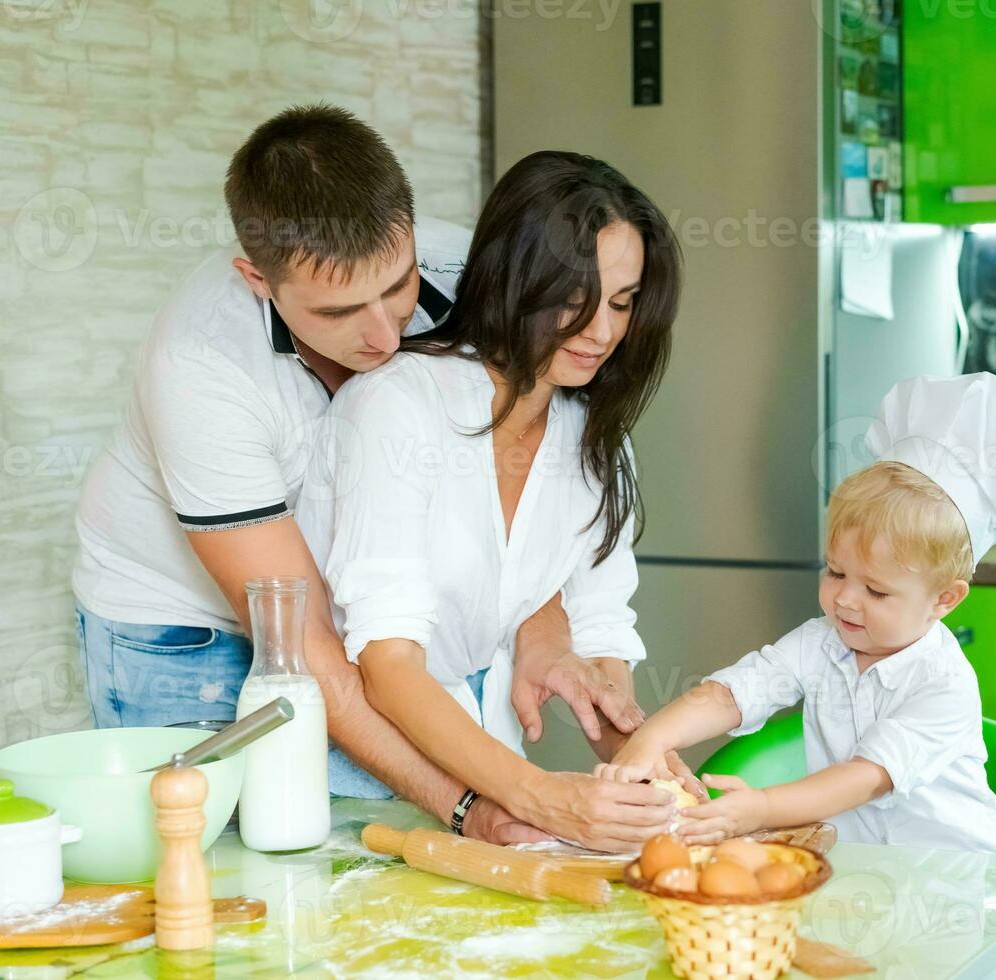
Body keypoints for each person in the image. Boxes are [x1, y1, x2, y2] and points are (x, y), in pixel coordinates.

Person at [71, 104, 640, 845]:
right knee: (207, 865)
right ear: (256, 278)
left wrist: (542, 627)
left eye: (397, 286)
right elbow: (301, 646)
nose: (385, 334)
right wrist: (467, 807)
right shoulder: (201, 369)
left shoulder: (464, 275)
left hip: (350, 617)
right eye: (340, 310)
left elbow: (518, 475)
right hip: (186, 631)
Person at [296, 150, 691, 852]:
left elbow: (598, 633)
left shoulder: (595, 443)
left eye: (623, 303)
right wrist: (541, 796)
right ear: (518, 278)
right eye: (576, 298)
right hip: (359, 771)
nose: (602, 331)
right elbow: (387, 669)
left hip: (488, 767)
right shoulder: (398, 409)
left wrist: (648, 772)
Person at [599, 373, 996, 853]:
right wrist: (652, 738)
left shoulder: (942, 684)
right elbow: (734, 693)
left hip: (962, 884)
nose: (845, 600)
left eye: (876, 591)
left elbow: (865, 779)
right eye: (835, 572)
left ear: (945, 599)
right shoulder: (822, 642)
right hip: (869, 879)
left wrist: (762, 809)